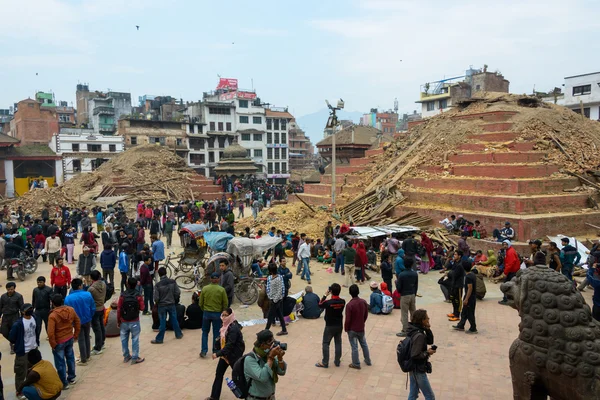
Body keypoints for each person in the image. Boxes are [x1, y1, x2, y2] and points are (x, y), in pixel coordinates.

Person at [207, 308, 244, 400]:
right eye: (222, 315)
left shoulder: (233, 328)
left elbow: (230, 345)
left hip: (234, 356)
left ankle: (246, 394)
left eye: (226, 315)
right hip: (225, 356)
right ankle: (214, 397)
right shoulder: (224, 326)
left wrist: (218, 354)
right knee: (219, 374)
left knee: (239, 377)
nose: (223, 317)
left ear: (230, 316)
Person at [244, 329, 287, 400]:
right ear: (262, 345)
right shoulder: (250, 359)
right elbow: (263, 377)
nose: (272, 345)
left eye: (274, 341)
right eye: (270, 343)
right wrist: (270, 358)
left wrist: (280, 358)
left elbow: (281, 372)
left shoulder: (267, 353)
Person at [48, 294, 80, 389]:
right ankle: (72, 377)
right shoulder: (71, 310)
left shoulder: (53, 315)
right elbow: (77, 322)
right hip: (69, 337)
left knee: (60, 363)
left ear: (53, 303)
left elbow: (50, 333)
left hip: (59, 341)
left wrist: (53, 344)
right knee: (70, 358)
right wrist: (75, 335)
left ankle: (63, 382)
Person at [9, 303, 42, 395]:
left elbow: (37, 330)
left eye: (31, 308)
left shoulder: (34, 318)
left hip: (34, 349)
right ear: (23, 312)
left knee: (33, 372)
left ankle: (31, 389)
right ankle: (19, 391)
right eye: (28, 309)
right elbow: (12, 337)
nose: (30, 310)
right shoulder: (18, 324)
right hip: (23, 352)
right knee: (21, 373)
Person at [406, 309, 436, 400]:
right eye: (427, 318)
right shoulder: (419, 335)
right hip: (418, 369)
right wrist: (427, 352)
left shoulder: (415, 329)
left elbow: (430, 341)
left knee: (413, 394)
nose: (428, 319)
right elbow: (415, 355)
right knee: (430, 396)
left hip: (413, 369)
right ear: (422, 320)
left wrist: (428, 329)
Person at [314, 283, 345, 369]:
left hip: (329, 325)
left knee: (326, 343)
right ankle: (337, 361)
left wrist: (325, 295)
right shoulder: (342, 302)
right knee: (338, 342)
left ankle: (325, 362)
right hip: (339, 325)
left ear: (331, 292)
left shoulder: (328, 303)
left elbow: (320, 304)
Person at [65, 278, 95, 366]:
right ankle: (87, 355)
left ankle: (83, 359)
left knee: (81, 338)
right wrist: (90, 315)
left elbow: (68, 313)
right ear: (79, 286)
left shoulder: (68, 299)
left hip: (76, 321)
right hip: (87, 319)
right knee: (86, 336)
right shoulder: (87, 294)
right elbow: (92, 307)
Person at [199, 272, 228, 357]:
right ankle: (215, 350)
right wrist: (222, 313)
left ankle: (204, 351)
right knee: (216, 333)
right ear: (218, 279)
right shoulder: (221, 290)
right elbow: (225, 304)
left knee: (205, 332)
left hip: (206, 313)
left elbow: (200, 303)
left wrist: (204, 309)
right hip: (217, 314)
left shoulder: (205, 289)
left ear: (210, 279)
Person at [151, 267, 183, 344]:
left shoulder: (158, 285)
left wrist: (158, 302)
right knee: (174, 319)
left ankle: (160, 339)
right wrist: (174, 299)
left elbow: (156, 298)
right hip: (171, 304)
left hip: (162, 306)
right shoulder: (173, 282)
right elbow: (178, 292)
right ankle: (178, 334)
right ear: (166, 272)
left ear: (159, 274)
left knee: (162, 322)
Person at [118, 277, 145, 364]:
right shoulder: (138, 295)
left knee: (124, 339)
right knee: (135, 339)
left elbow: (119, 309)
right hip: (135, 320)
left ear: (127, 284)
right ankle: (135, 357)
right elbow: (142, 308)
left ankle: (126, 356)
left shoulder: (122, 295)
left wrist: (119, 320)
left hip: (124, 320)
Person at [344, 284, 371, 369]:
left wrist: (346, 328)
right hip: (360, 327)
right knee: (364, 344)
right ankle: (368, 360)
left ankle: (356, 363)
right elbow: (366, 314)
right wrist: (362, 322)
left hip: (352, 329)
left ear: (350, 293)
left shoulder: (349, 305)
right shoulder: (363, 302)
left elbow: (348, 319)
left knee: (354, 346)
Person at [453, 261, 478, 334]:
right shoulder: (472, 274)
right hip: (470, 296)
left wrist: (466, 299)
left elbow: (470, 288)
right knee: (464, 312)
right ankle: (461, 325)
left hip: (470, 297)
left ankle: (473, 328)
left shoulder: (468, 277)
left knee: (470, 313)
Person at [0, 282, 24, 353]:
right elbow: (0, 307)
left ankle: (13, 345)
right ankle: (13, 341)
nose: (10, 291)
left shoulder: (18, 296)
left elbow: (21, 308)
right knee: (4, 332)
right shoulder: (3, 297)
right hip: (5, 317)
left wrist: (23, 318)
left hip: (14, 316)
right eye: (8, 289)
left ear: (14, 289)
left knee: (14, 331)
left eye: (11, 289)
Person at [396, 258, 418, 336]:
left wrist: (396, 283)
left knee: (404, 314)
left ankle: (405, 330)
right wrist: (414, 294)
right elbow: (416, 285)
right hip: (412, 294)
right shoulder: (415, 273)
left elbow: (399, 288)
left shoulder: (401, 275)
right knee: (413, 312)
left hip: (404, 295)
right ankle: (415, 328)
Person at [265, 263, 288, 336]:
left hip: (276, 301)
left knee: (270, 316)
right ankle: (284, 330)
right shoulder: (271, 278)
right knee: (280, 315)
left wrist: (274, 300)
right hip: (274, 299)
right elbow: (269, 289)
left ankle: (265, 332)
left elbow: (279, 290)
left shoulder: (278, 279)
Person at [88, 270, 107, 356]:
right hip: (101, 307)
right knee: (101, 325)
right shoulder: (103, 284)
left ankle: (98, 347)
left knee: (97, 328)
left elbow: (89, 300)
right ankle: (102, 342)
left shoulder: (91, 289)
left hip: (95, 309)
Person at [498, 240, 521, 305]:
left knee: (506, 285)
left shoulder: (510, 252)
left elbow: (510, 264)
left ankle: (506, 299)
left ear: (509, 244)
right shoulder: (509, 250)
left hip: (511, 271)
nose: (505, 246)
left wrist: (505, 272)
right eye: (503, 244)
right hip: (512, 271)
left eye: (506, 244)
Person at [447, 251, 466, 321]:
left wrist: (449, 273)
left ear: (459, 256)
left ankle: (457, 315)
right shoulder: (455, 262)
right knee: (453, 299)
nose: (454, 256)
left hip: (458, 285)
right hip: (454, 283)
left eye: (455, 254)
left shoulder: (460, 265)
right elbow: (449, 268)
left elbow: (454, 274)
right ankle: (454, 313)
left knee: (457, 300)